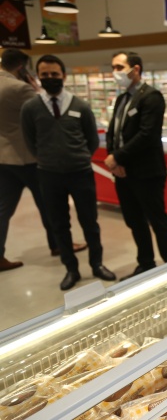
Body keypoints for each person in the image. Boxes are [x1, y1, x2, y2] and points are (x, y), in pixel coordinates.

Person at [21, 54, 116, 290]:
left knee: (89, 221)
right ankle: (71, 269)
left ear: (64, 75)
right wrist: (47, 158)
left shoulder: (80, 106)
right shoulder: (30, 108)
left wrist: (79, 156)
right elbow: (29, 141)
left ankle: (97, 264)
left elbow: (92, 140)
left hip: (80, 172)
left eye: (54, 74)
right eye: (45, 75)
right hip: (48, 175)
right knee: (59, 224)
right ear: (38, 77)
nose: (50, 78)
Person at [2, 49, 85, 272]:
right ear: (22, 67)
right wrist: (35, 87)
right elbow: (47, 109)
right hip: (29, 158)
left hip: (3, 158)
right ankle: (58, 245)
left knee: (3, 209)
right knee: (49, 206)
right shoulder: (20, 89)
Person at [105, 51, 167, 279]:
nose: (115, 72)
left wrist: (118, 157)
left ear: (135, 69)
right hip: (124, 174)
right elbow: (113, 132)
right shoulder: (122, 99)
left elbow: (147, 135)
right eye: (114, 68)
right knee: (135, 221)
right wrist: (114, 159)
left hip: (147, 173)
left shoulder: (152, 97)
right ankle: (145, 263)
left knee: (158, 222)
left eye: (119, 67)